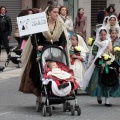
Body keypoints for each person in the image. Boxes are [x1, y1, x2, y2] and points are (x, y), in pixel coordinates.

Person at [19, 6, 67, 100]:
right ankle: (39, 94)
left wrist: (61, 46)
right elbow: (34, 37)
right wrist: (37, 46)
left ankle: (55, 91)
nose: (57, 14)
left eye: (58, 12)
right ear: (49, 13)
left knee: (57, 70)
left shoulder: (60, 25)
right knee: (39, 70)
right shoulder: (41, 24)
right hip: (43, 50)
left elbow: (63, 39)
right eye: (54, 12)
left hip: (55, 51)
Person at [81, 27, 120, 107]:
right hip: (99, 63)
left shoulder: (108, 41)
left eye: (104, 35)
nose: (103, 36)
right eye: (101, 35)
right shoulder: (96, 43)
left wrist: (114, 52)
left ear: (106, 35)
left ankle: (107, 101)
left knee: (108, 81)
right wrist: (101, 54)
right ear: (99, 35)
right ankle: (99, 96)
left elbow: (110, 51)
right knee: (98, 82)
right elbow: (94, 52)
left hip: (108, 62)